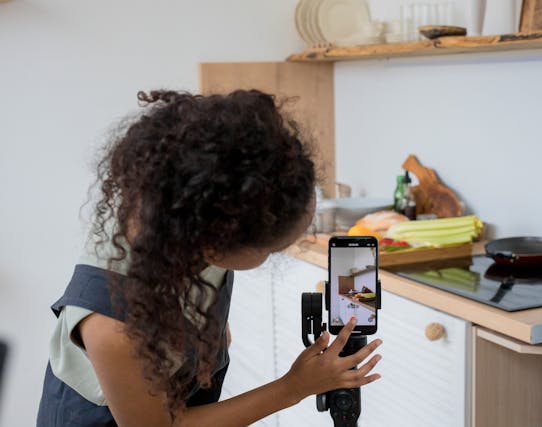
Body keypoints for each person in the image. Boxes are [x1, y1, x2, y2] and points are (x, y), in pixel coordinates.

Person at [36, 90, 382, 427]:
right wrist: (293, 387)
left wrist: (202, 329)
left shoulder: (189, 201)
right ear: (214, 247)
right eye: (270, 250)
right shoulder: (114, 328)